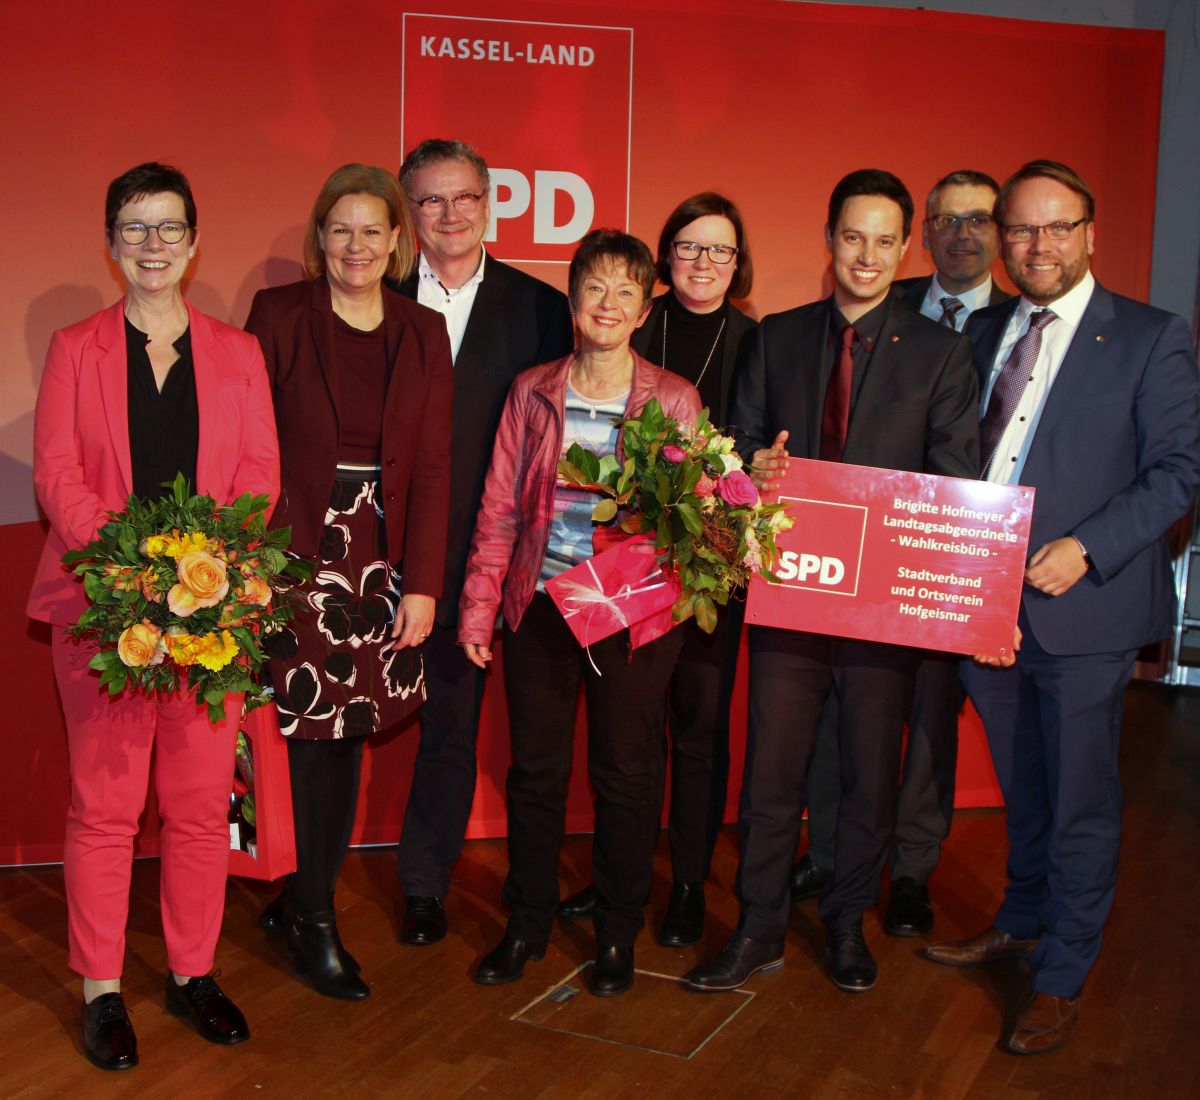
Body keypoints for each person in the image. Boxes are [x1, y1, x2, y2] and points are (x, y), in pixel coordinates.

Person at [922, 160, 1200, 1054]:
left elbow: (1179, 471)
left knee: (1080, 797)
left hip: (1085, 610)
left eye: (1056, 227)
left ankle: (1062, 972)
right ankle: (1022, 920)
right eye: (1020, 229)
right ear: (1000, 239)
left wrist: (1086, 547)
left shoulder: (1152, 336)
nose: (1037, 245)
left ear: (1089, 233)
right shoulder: (980, 331)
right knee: (1025, 785)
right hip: (982, 605)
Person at [684, 169, 978, 996]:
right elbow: (736, 448)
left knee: (867, 777)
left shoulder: (943, 354)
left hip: (882, 609)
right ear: (828, 239)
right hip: (791, 591)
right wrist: (754, 467)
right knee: (771, 775)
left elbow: (955, 478)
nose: (867, 255)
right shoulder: (776, 337)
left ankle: (847, 923)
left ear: (906, 248)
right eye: (853, 237)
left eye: (885, 240)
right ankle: (759, 928)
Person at [27, 162, 279, 1070]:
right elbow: (58, 475)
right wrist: (139, 570)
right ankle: (102, 988)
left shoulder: (238, 354)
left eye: (169, 227)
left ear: (194, 241)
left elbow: (259, 477)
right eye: (134, 227)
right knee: (104, 809)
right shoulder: (75, 348)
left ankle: (192, 972)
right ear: (111, 243)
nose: (153, 244)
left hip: (212, 611)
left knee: (201, 808)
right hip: (106, 611)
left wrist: (199, 574)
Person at [458, 230, 702, 997]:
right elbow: (499, 507)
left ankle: (617, 935)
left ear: (644, 310)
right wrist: (479, 609)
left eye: (626, 291)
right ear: (572, 300)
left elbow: (691, 517)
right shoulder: (533, 391)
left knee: (625, 776)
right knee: (536, 775)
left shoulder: (674, 399)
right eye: (595, 287)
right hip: (540, 608)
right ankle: (527, 923)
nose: (608, 304)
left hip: (629, 614)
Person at [245, 164, 452, 1000]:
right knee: (310, 731)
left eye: (372, 231)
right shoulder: (278, 316)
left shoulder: (423, 330)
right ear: (320, 238)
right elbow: (247, 441)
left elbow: (432, 465)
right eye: (341, 230)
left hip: (383, 552)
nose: (356, 247)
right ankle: (315, 917)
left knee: (351, 729)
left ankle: (305, 892)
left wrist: (424, 582)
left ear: (397, 239)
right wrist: (253, 565)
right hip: (297, 550)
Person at [795, 170, 1011, 937]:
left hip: (943, 552)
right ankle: (830, 855)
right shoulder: (887, 298)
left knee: (927, 719)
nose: (961, 234)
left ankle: (912, 870)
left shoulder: (1018, 319)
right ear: (923, 234)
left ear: (999, 233)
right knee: (838, 715)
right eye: (946, 220)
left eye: (978, 219)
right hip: (845, 558)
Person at [557, 193, 757, 946]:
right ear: (665, 257)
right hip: (617, 570)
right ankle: (622, 877)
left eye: (720, 249)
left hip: (702, 566)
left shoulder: (757, 340)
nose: (704, 262)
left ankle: (690, 882)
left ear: (738, 263)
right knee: (626, 739)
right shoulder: (631, 317)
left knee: (697, 727)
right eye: (689, 246)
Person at [390, 139, 573, 947]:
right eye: (431, 200)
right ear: (409, 212)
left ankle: (435, 885)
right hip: (387, 552)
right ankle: (319, 880)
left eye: (464, 197)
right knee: (350, 724)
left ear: (490, 202)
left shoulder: (540, 308)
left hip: (491, 557)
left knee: (465, 729)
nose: (450, 214)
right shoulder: (375, 294)